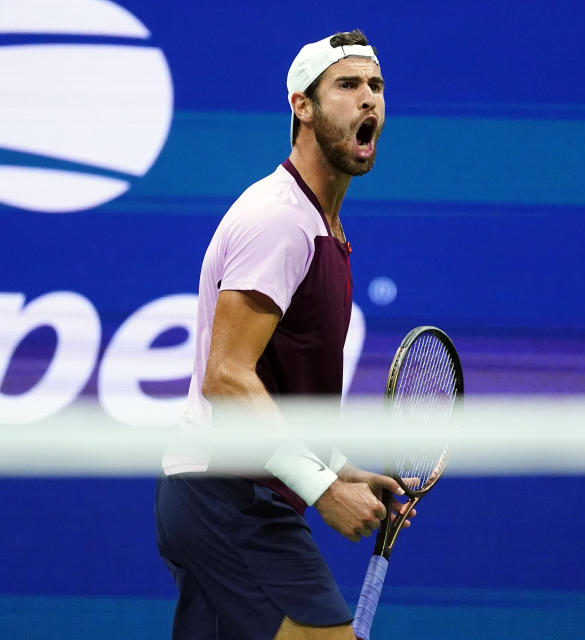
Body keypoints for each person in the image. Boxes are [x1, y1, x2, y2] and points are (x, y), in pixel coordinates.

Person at [154, 30, 414, 639]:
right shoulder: (278, 220)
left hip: (226, 496)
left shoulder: (325, 229)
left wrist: (337, 466)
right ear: (303, 106)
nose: (367, 100)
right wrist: (322, 488)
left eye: (375, 86)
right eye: (346, 86)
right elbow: (226, 378)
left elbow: (275, 387)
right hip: (226, 496)